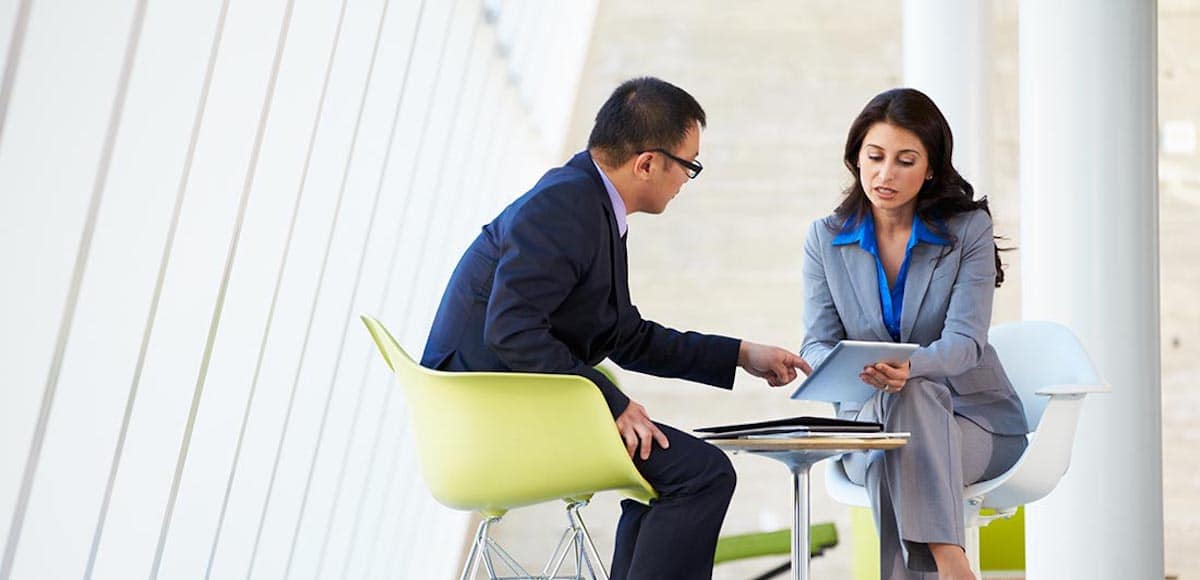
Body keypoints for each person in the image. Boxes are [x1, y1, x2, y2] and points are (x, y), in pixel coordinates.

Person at [422, 77, 810, 580]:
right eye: (689, 167)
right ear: (647, 163)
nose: (686, 182)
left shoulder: (584, 202)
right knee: (702, 474)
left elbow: (625, 337)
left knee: (669, 479)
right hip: (488, 421)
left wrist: (741, 354)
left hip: (503, 406)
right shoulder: (565, 207)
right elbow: (512, 330)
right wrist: (613, 403)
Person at [798, 88, 1029, 580]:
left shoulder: (967, 229)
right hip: (869, 428)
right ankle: (951, 560)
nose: (885, 174)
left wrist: (910, 369)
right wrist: (854, 368)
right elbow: (815, 344)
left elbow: (966, 344)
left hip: (974, 425)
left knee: (912, 403)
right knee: (893, 440)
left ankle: (946, 561)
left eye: (905, 161)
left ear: (930, 168)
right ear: (855, 158)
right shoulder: (825, 238)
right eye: (875, 157)